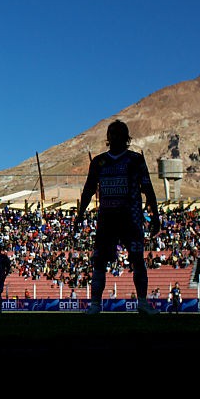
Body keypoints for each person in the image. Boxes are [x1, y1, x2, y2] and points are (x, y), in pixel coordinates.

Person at [74, 119, 161, 315]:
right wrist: (80, 214)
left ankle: (142, 302)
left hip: (130, 217)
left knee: (137, 258)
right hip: (107, 218)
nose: (114, 137)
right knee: (99, 260)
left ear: (126, 137)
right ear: (108, 137)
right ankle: (95, 304)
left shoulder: (135, 160)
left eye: (118, 133)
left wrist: (156, 216)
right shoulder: (98, 162)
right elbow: (88, 190)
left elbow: (148, 189)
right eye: (111, 133)